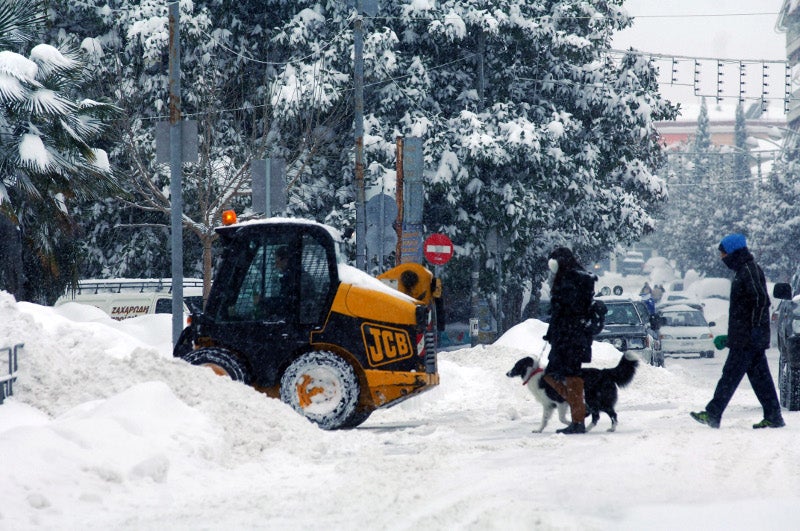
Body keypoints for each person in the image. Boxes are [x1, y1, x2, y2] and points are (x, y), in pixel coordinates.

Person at [691, 234, 785, 429]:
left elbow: (760, 300)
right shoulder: (743, 270)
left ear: (734, 252)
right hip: (746, 338)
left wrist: (754, 330)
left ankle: (713, 413)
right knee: (761, 379)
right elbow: (744, 310)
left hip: (748, 339)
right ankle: (774, 416)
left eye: (723, 253)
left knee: (730, 375)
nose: (722, 258)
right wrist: (731, 337)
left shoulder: (749, 270)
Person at [542, 247, 597, 434]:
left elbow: (564, 311)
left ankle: (578, 416)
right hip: (575, 338)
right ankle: (579, 410)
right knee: (569, 377)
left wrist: (555, 332)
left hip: (568, 338)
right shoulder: (580, 279)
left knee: (561, 376)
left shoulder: (569, 280)